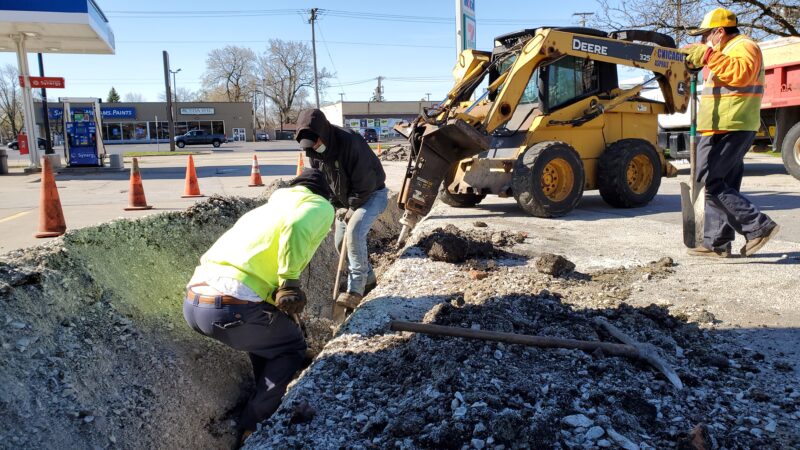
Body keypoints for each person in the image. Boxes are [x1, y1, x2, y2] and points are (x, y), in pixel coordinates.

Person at [182, 168, 334, 434]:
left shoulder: (267, 210)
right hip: (230, 308)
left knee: (270, 336)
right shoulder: (318, 205)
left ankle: (266, 392)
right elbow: (298, 227)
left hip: (195, 303)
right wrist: (289, 281)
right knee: (291, 347)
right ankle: (253, 426)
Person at [684, 7, 779, 258]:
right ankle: (717, 242)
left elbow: (741, 74)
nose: (703, 41)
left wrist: (707, 54)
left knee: (709, 184)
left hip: (730, 125)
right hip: (723, 125)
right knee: (723, 184)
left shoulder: (744, 45)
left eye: (706, 36)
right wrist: (702, 60)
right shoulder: (724, 51)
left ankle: (757, 226)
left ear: (719, 31)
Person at [295, 108, 388, 309]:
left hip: (372, 194)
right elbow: (324, 183)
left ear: (323, 133)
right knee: (339, 242)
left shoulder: (350, 141)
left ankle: (356, 290)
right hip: (346, 202)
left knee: (354, 232)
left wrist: (352, 207)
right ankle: (369, 279)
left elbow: (366, 181)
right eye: (310, 146)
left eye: (316, 143)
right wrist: (336, 206)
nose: (314, 148)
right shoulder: (314, 152)